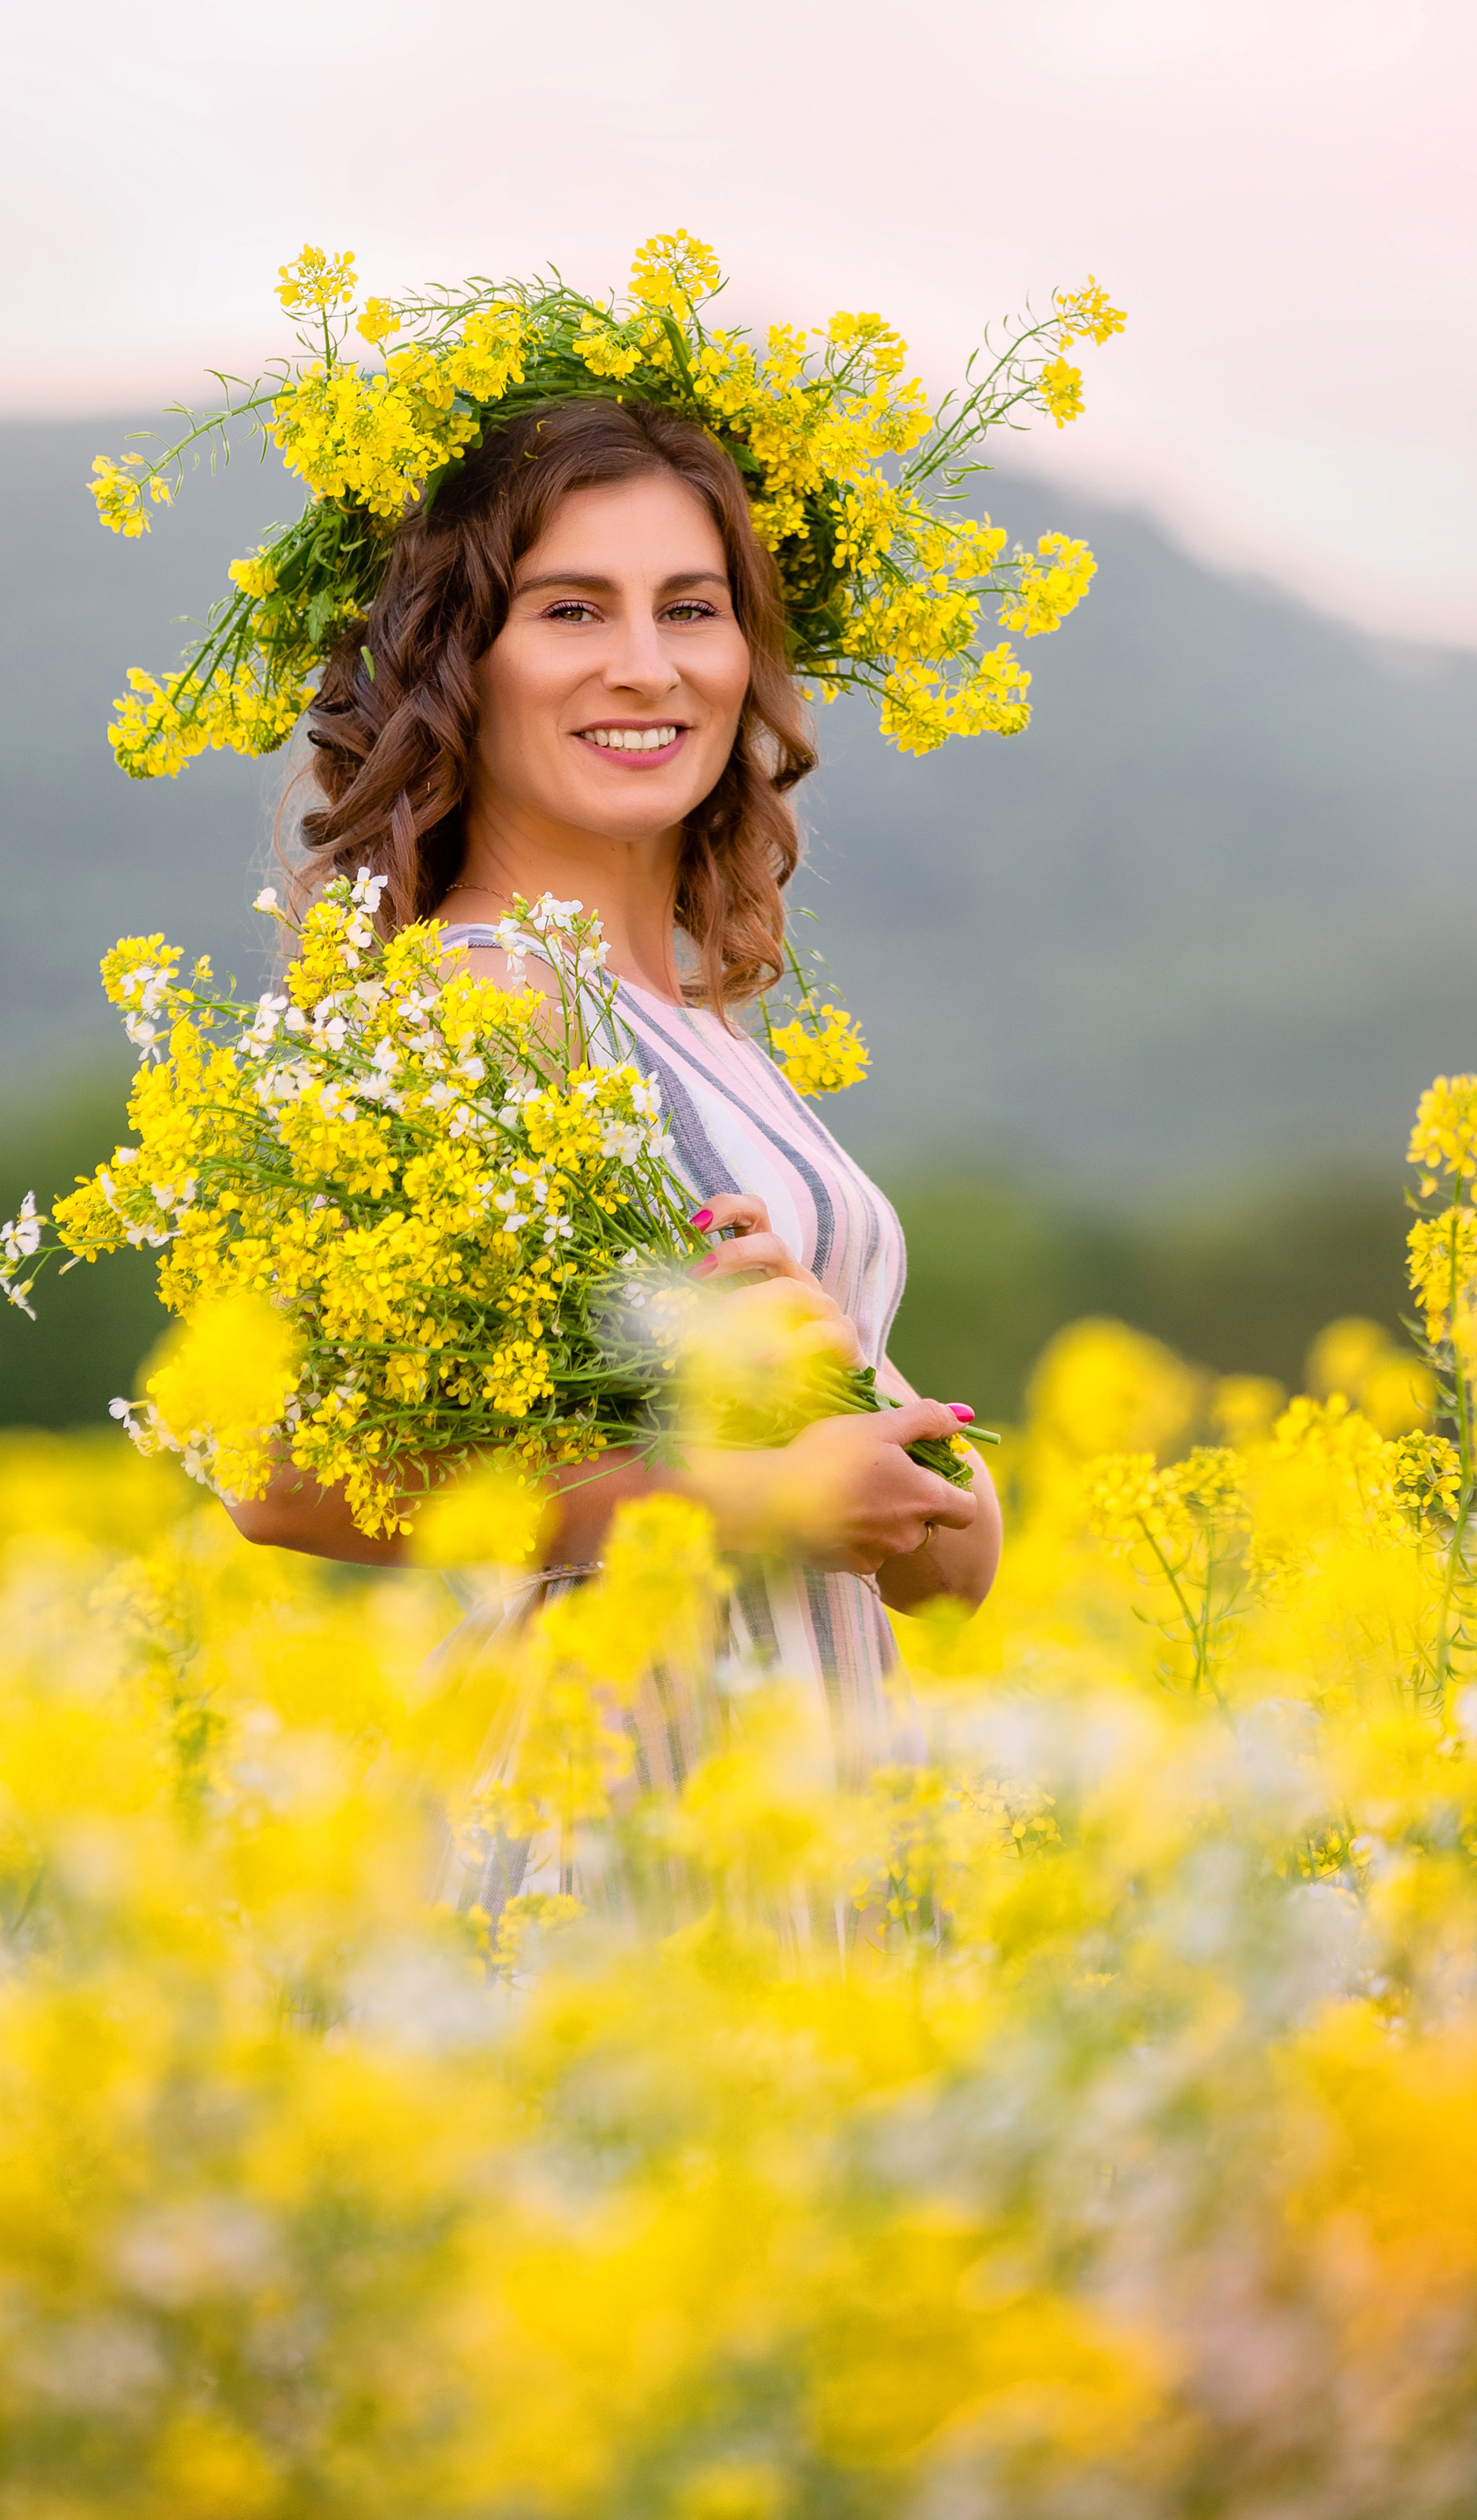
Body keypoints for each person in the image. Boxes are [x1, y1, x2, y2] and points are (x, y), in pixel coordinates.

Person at [229, 397, 1001, 1774]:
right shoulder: (481, 998)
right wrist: (756, 1496)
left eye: (692, 609)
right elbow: (281, 1477)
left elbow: (936, 1573)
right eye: (573, 611)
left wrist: (914, 1455)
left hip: (814, 1802)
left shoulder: (697, 1026)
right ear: (460, 661)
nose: (647, 667)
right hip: (619, 1806)